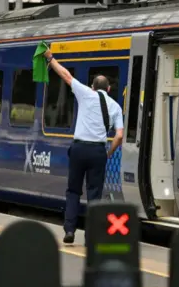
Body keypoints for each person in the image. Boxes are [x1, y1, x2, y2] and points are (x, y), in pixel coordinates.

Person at [43, 48, 124, 244]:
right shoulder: (115, 107)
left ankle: (70, 231)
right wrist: (109, 153)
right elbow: (119, 135)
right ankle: (91, 237)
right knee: (95, 195)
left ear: (93, 87)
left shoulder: (85, 93)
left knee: (73, 191)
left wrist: (50, 58)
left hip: (79, 149)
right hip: (98, 151)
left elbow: (66, 75)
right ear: (109, 89)